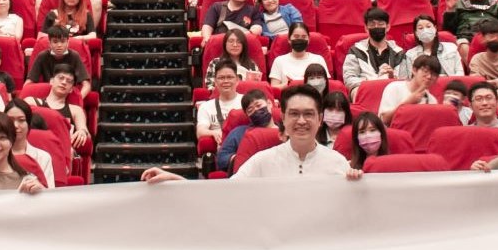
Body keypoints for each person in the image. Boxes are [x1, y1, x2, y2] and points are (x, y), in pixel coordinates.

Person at [145, 88, 360, 181]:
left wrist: (358, 183)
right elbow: (225, 195)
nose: (301, 121)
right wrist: (177, 182)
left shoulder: (337, 162)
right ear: (282, 119)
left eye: (308, 114)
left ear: (319, 119)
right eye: (294, 114)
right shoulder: (261, 161)